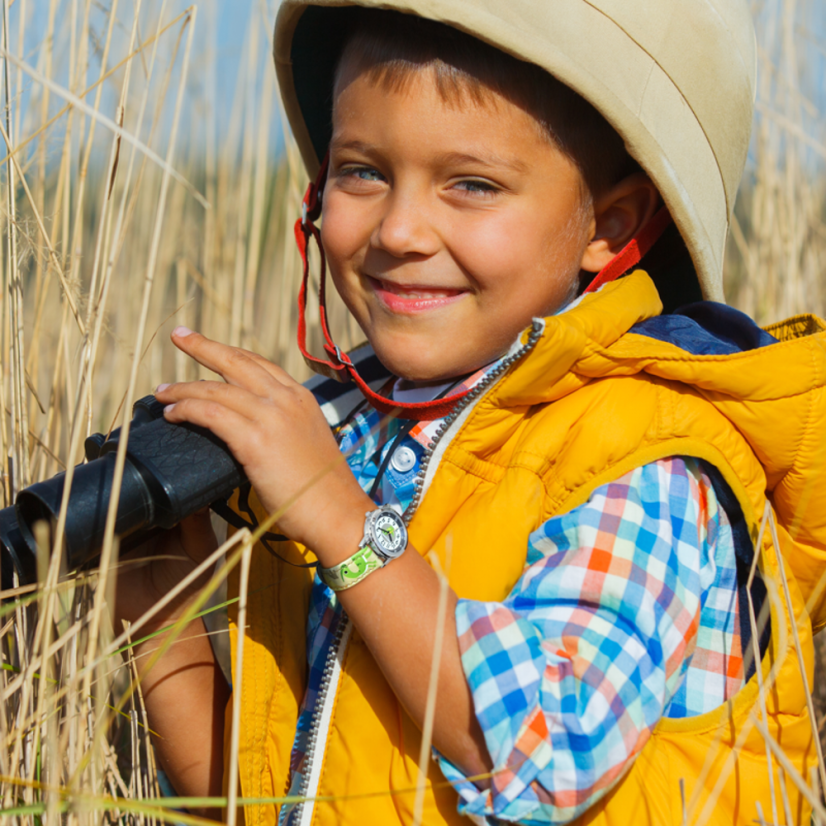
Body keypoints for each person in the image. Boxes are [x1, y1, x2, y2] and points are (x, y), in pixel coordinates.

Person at [113, 2, 826, 824]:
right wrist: (157, 605)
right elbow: (261, 799)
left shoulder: (642, 460)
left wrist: (342, 522)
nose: (400, 230)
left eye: (473, 185)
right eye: (362, 172)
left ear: (611, 226)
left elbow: (549, 761)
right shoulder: (348, 435)